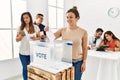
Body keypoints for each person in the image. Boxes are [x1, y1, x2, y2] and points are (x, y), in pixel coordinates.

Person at [45, 6, 88, 80]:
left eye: (71, 17)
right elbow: (51, 38)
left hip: (78, 62)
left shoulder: (83, 32)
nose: (68, 19)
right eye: (67, 17)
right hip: (65, 61)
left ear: (77, 18)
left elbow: (84, 48)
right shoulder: (63, 30)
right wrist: (47, 31)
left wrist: (84, 62)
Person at [16, 12, 41, 80]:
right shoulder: (21, 28)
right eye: (24, 18)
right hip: (23, 52)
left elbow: (39, 37)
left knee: (32, 68)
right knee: (25, 68)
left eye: (27, 17)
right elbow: (16, 39)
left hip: (32, 53)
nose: (25, 19)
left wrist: (35, 38)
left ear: (30, 18)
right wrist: (21, 36)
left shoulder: (35, 27)